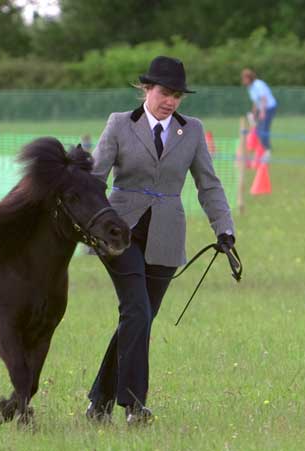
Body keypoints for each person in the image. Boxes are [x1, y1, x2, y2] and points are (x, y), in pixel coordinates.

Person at [86, 56, 237, 425]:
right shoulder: (120, 125)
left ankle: (99, 401)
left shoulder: (193, 131)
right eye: (164, 93)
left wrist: (224, 228)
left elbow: (208, 183)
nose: (170, 101)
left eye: (177, 96)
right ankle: (135, 406)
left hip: (166, 236)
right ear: (146, 90)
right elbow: (94, 180)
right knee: (137, 311)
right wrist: (92, 227)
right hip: (119, 234)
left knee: (140, 317)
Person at [241, 68, 277, 160]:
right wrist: (253, 113)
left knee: (263, 129)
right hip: (262, 108)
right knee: (257, 129)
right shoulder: (250, 88)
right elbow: (255, 102)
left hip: (269, 107)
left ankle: (267, 151)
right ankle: (262, 148)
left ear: (249, 78)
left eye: (244, 78)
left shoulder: (258, 84)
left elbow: (264, 98)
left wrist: (263, 112)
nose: (243, 81)